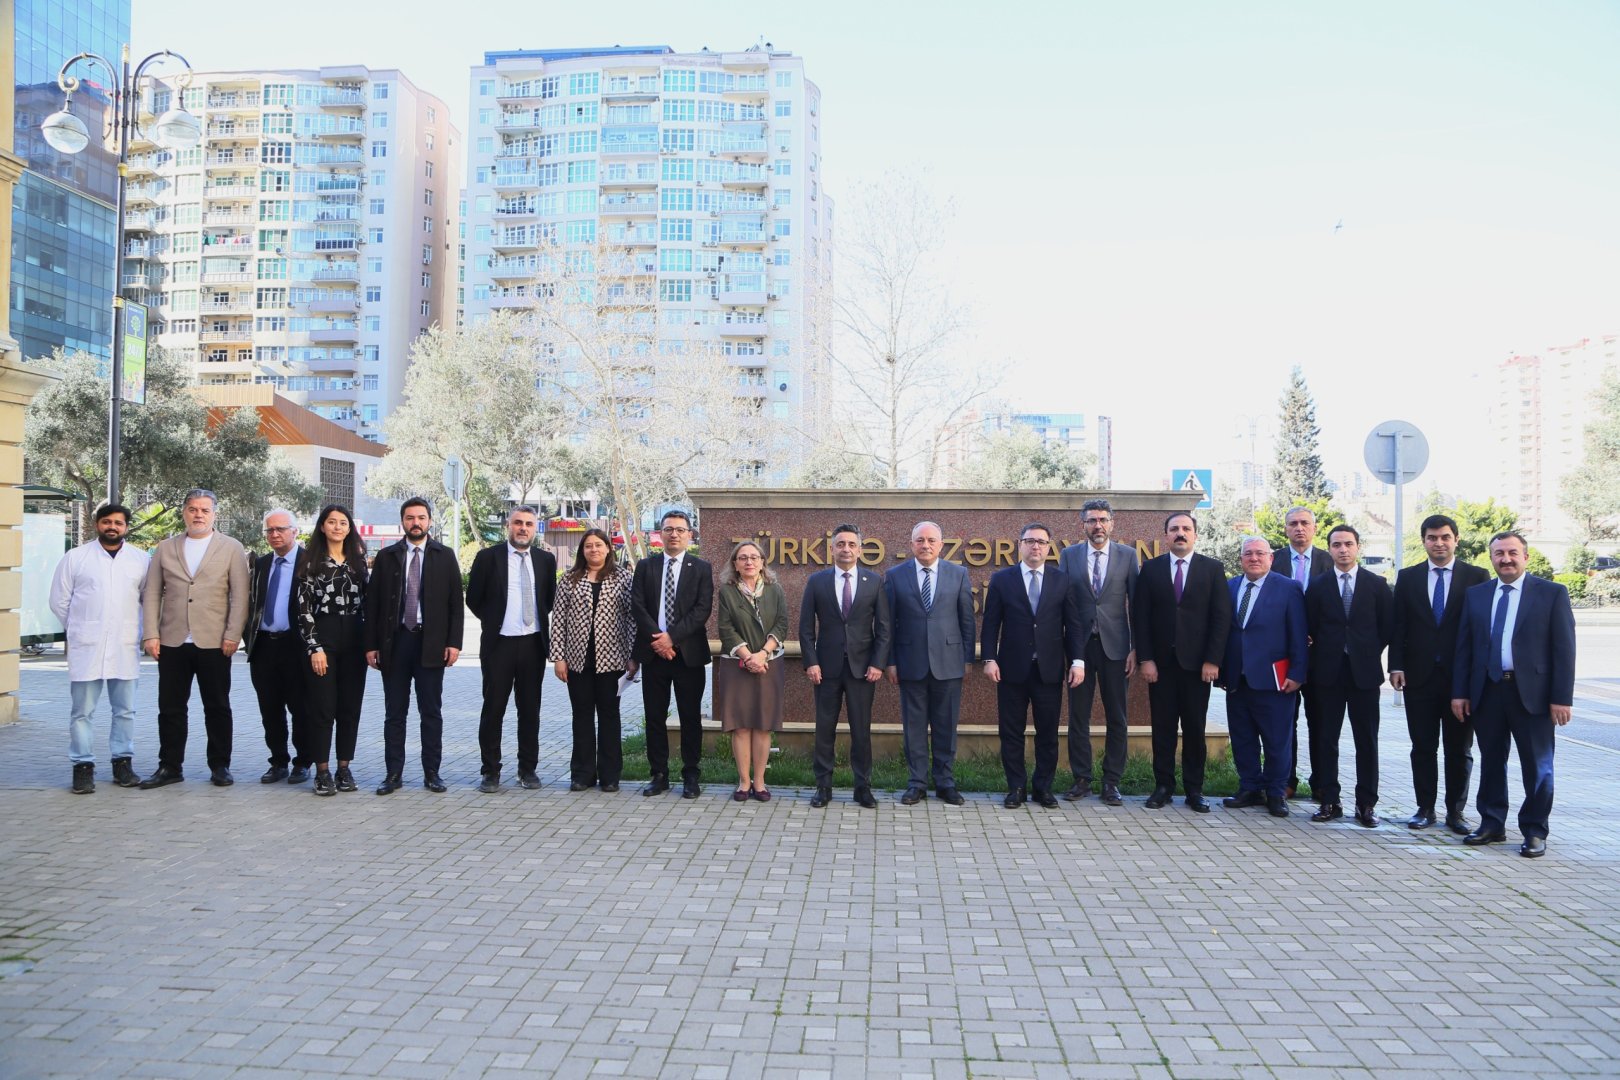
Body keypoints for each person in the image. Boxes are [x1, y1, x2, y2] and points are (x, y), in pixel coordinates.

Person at [1451, 531, 1576, 858]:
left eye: (1512, 553)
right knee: (1492, 761)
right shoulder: (1477, 595)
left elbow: (1564, 650)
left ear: (1525, 557)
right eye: (1499, 554)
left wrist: (1562, 698)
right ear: (1491, 557)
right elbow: (1465, 648)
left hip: (1534, 695)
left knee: (1538, 767)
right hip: (1487, 691)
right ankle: (1492, 823)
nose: (1506, 559)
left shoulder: (1551, 593)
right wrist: (1460, 692)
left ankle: (1535, 830)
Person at [138, 489, 250, 789]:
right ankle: (170, 766)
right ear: (184, 512)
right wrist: (151, 634)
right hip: (172, 640)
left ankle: (220, 765)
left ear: (214, 514)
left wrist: (233, 634)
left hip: (215, 641)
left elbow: (240, 596)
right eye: (192, 509)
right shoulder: (166, 547)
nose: (198, 515)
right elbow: (152, 593)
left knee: (217, 706)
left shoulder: (231, 548)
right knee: (170, 708)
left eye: (204, 510)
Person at [1388, 514, 1489, 832]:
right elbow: (1399, 625)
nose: (1439, 543)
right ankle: (1425, 808)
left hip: (1461, 680)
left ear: (1456, 539)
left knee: (1459, 749)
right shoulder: (1408, 577)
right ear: (1424, 541)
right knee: (1422, 747)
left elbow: (1481, 629)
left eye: (1445, 537)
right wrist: (1396, 665)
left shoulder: (1477, 576)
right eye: (1432, 537)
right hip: (1418, 677)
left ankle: (1455, 812)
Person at [364, 497, 464, 795]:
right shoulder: (387, 557)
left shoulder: (445, 556)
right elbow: (373, 604)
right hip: (395, 644)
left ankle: (432, 773)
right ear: (402, 522)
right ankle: (393, 774)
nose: (416, 523)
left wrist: (454, 643)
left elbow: (455, 604)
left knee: (431, 712)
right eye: (410, 518)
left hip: (431, 644)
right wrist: (371, 645)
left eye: (421, 517)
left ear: (429, 521)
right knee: (395, 713)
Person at [48, 503, 150, 793]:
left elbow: (148, 599)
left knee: (125, 710)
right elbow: (59, 600)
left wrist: (142, 633)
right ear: (97, 524)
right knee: (82, 712)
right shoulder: (76, 558)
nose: (112, 527)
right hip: (87, 645)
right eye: (107, 522)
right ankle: (82, 766)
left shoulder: (141, 560)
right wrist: (80, 627)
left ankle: (122, 762)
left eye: (118, 522)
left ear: (126, 527)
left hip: (124, 644)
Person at [1132, 512, 1230, 812]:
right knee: (1162, 729)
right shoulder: (1151, 569)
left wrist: (1213, 660)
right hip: (1160, 666)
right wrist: (1146, 659)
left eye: (1186, 528)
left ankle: (1194, 789)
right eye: (1174, 529)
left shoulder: (1212, 569)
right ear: (1166, 535)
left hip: (1197, 667)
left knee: (1194, 729)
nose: (1180, 533)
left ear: (1195, 535)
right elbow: (1140, 617)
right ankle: (1163, 787)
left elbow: (1221, 618)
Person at [982, 523, 1085, 809]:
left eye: (1041, 541)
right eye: (1030, 541)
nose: (1035, 546)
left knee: (1048, 734)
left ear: (1049, 547)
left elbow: (1074, 626)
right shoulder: (1002, 579)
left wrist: (1077, 661)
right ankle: (1016, 788)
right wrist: (989, 658)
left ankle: (1043, 788)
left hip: (1049, 670)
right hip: (1011, 670)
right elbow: (990, 623)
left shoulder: (1062, 580)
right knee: (1011, 732)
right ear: (1020, 545)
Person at [1303, 525, 1392, 827]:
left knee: (1366, 740)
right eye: (1337, 545)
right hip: (1327, 673)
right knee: (1326, 738)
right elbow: (1311, 626)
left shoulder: (1376, 585)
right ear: (1329, 549)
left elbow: (1386, 627)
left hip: (1364, 674)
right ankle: (1329, 800)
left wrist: (1365, 650)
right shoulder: (1317, 586)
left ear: (1358, 547)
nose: (1343, 549)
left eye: (1348, 544)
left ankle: (1366, 804)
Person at [466, 506, 557, 793]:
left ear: (535, 528)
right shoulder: (488, 557)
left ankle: (527, 770)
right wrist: (494, 620)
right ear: (508, 525)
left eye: (528, 524)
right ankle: (490, 771)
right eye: (518, 522)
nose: (523, 528)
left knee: (530, 711)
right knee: (493, 710)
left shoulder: (545, 560)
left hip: (533, 644)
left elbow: (548, 599)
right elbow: (473, 598)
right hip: (499, 645)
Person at [884, 521, 976, 806]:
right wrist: (890, 661)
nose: (925, 545)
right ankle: (917, 784)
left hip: (949, 663)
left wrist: (967, 658)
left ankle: (946, 783)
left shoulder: (958, 574)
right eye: (920, 540)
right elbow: (888, 623)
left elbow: (967, 620)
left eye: (931, 540)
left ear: (941, 545)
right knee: (913, 728)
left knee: (946, 726)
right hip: (909, 662)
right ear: (911, 544)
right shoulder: (895, 576)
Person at [800, 523, 889, 809]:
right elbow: (805, 628)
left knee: (861, 731)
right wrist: (811, 662)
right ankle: (823, 787)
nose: (846, 549)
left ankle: (862, 787)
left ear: (860, 550)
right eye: (840, 544)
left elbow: (884, 628)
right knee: (824, 729)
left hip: (863, 670)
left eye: (851, 544)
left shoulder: (874, 582)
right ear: (832, 549)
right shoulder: (817, 581)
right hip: (825, 670)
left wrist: (878, 663)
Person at [1220, 536, 1309, 818]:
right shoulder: (1230, 587)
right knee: (1242, 738)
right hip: (1237, 679)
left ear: (1271, 558)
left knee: (1277, 740)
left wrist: (1297, 673)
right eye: (1248, 554)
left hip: (1275, 680)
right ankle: (1249, 787)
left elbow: (1298, 634)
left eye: (1260, 553)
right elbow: (1225, 632)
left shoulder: (1288, 588)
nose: (1254, 558)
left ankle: (1276, 791)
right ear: (1241, 559)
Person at [1058, 498, 1137, 804]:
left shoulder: (1127, 556)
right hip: (1079, 649)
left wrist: (1135, 649)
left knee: (1117, 717)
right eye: (1092, 520)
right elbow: (1064, 603)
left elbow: (1137, 605)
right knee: (1078, 717)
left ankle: (1111, 782)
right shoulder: (1069, 555)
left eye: (1103, 520)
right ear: (1083, 525)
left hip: (1116, 649)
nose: (1098, 525)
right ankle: (1082, 779)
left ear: (1112, 523)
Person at [632, 509, 714, 799]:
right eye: (668, 529)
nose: (674, 534)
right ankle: (659, 775)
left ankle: (691, 775)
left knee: (690, 717)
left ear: (690, 535)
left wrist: (672, 638)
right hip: (654, 654)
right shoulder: (646, 566)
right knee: (654, 716)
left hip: (688, 656)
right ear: (660, 534)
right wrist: (659, 640)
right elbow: (637, 605)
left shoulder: (701, 568)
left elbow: (702, 610)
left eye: (680, 529)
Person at [550, 528, 636, 792]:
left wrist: (633, 656)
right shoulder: (570, 578)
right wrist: (558, 657)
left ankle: (610, 775)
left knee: (610, 716)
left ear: (608, 548)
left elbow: (632, 618)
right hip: (578, 661)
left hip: (613, 660)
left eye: (599, 545)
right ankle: (582, 774)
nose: (594, 550)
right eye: (588, 546)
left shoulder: (623, 577)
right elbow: (558, 619)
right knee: (582, 716)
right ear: (582, 550)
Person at [296, 505, 369, 797]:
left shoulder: (358, 561)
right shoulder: (310, 561)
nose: (337, 527)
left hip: (354, 639)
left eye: (343, 523)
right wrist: (314, 647)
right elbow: (303, 609)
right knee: (323, 708)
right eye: (331, 522)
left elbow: (367, 604)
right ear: (322, 526)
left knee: (350, 708)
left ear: (349, 528)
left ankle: (343, 768)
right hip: (323, 638)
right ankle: (322, 771)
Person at [714, 540, 789, 802]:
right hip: (737, 664)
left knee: (763, 726)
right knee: (741, 726)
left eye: (754, 557)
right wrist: (748, 657)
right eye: (743, 558)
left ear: (762, 562)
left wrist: (763, 654)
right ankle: (744, 782)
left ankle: (760, 782)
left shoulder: (775, 590)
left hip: (769, 663)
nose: (749, 562)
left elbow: (782, 624)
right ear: (735, 564)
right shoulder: (727, 591)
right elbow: (725, 628)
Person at [244, 508, 313, 785]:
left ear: (295, 531)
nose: (274, 534)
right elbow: (251, 602)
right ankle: (278, 761)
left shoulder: (310, 561)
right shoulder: (261, 564)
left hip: (295, 646)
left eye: (280, 529)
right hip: (264, 646)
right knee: (270, 709)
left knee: (301, 708)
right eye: (269, 530)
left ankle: (303, 762)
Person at [1272, 505, 1330, 799]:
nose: (1299, 528)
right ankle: (1286, 780)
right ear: (1286, 529)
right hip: (1284, 656)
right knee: (1285, 723)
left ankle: (1321, 782)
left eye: (1305, 523)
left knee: (1321, 722)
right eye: (1293, 523)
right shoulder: (1274, 560)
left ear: (1314, 528)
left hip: (1320, 657)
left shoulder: (1329, 560)